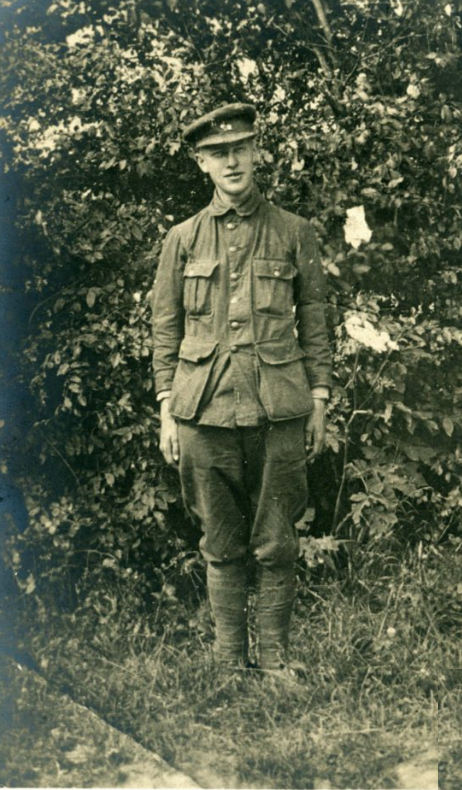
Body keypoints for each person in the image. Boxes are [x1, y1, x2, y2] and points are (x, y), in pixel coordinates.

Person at [151, 102, 332, 676]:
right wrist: (167, 411)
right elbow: (165, 328)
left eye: (239, 149)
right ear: (201, 163)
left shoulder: (294, 232)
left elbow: (316, 322)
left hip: (279, 407)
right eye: (217, 153)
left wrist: (319, 401)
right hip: (201, 410)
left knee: (277, 540)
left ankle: (275, 662)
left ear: (256, 153)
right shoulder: (182, 239)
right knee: (220, 540)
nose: (231, 162)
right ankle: (230, 663)